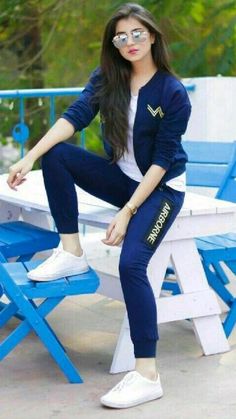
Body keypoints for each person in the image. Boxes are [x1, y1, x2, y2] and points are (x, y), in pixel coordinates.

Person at [7, 2, 191, 410]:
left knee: (131, 263)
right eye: (121, 36)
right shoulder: (108, 78)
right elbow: (74, 117)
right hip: (123, 179)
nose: (130, 41)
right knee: (57, 154)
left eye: (137, 33)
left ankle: (147, 374)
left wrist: (127, 212)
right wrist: (29, 156)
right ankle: (70, 251)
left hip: (160, 189)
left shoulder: (172, 93)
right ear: (114, 43)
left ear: (153, 36)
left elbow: (162, 161)